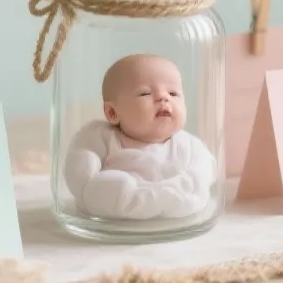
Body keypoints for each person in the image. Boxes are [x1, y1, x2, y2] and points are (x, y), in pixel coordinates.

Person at [62, 53, 215, 220]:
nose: (164, 98)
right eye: (145, 93)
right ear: (112, 112)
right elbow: (81, 163)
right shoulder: (104, 137)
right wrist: (88, 181)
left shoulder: (188, 144)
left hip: (176, 199)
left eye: (173, 93)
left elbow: (205, 168)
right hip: (116, 203)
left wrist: (192, 183)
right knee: (106, 188)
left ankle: (162, 199)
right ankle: (138, 199)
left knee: (192, 188)